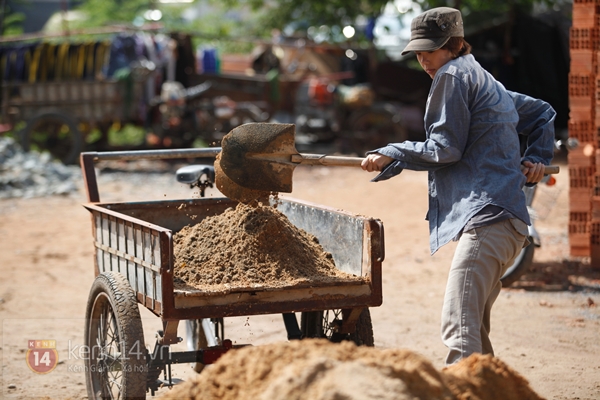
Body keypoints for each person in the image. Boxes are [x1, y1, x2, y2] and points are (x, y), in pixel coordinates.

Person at [360, 7, 556, 365]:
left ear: (452, 44)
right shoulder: (483, 79)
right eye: (418, 54)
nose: (424, 61)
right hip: (507, 222)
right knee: (474, 331)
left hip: (488, 218)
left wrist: (392, 151)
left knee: (459, 328)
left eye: (429, 52)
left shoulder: (451, 76)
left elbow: (444, 149)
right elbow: (542, 112)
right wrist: (538, 156)